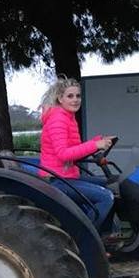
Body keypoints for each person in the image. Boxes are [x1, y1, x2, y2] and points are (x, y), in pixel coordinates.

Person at [38, 77, 117, 231]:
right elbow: (63, 154)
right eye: (70, 96)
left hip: (68, 175)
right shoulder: (58, 119)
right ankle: (81, 237)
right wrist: (95, 145)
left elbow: (75, 149)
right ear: (60, 98)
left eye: (78, 96)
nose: (75, 100)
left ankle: (107, 234)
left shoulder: (69, 117)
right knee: (105, 197)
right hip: (57, 179)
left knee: (110, 185)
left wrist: (97, 141)